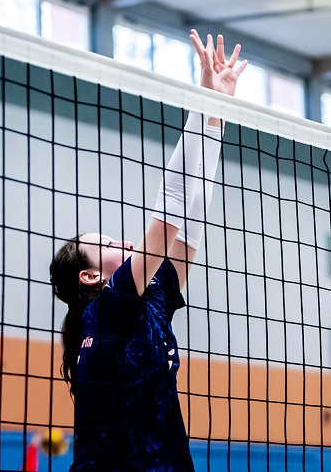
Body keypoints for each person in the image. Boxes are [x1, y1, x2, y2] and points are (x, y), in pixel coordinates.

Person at [49, 30, 247, 471]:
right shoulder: (106, 310)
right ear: (90, 276)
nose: (121, 240)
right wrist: (205, 101)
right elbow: (173, 203)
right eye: (104, 243)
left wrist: (217, 110)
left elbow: (192, 217)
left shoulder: (147, 300)